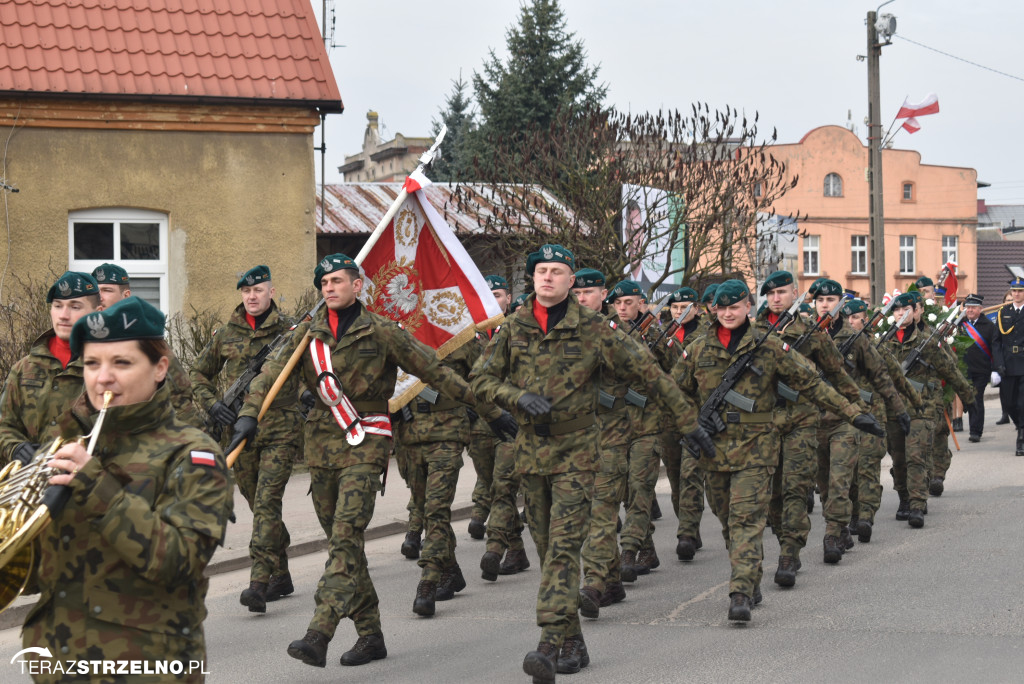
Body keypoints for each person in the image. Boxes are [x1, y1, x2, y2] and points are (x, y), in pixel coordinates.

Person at [230, 254, 505, 669]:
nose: (329, 287)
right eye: (323, 282)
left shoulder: (382, 331)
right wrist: (250, 414)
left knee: (343, 539)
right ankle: (370, 634)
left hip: (366, 443)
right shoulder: (307, 334)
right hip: (321, 448)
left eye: (337, 280)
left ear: (358, 286)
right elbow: (269, 375)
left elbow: (435, 371)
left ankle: (319, 630)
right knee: (348, 550)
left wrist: (489, 409)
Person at [470, 244, 713, 682]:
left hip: (578, 455)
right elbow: (480, 380)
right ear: (533, 279)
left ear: (570, 281)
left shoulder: (597, 330)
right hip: (531, 453)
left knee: (564, 549)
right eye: (541, 271)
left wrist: (688, 422)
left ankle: (548, 642)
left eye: (557, 271)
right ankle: (574, 641)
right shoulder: (513, 327)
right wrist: (515, 397)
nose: (548, 277)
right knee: (547, 551)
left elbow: (649, 373)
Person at [21, 296, 233, 681]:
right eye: (91, 363)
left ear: (159, 368)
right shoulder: (68, 439)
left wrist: (97, 486)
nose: (103, 377)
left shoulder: (192, 453)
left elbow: (178, 562)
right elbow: (39, 571)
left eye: (122, 363)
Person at [673, 279, 883, 621]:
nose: (728, 313)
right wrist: (691, 422)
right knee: (727, 519)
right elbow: (672, 391)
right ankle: (750, 572)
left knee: (746, 519)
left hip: (757, 448)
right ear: (714, 310)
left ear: (747, 307)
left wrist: (854, 413)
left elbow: (812, 383)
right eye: (722, 308)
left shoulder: (768, 347)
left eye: (735, 307)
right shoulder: (698, 349)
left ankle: (740, 592)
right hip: (712, 450)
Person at [190, 265, 302, 613]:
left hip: (280, 428)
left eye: (258, 290)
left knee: (267, 502)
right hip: (240, 433)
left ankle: (259, 580)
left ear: (271, 291)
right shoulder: (226, 334)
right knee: (257, 504)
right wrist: (213, 405)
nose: (251, 297)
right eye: (246, 291)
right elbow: (197, 373)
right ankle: (281, 573)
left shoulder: (290, 330)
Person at [756, 272, 862, 586]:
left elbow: (837, 373)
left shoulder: (812, 332)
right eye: (770, 293)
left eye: (782, 292)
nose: (776, 298)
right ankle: (782, 534)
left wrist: (856, 412)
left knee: (796, 489)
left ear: (795, 293)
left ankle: (789, 553)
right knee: (772, 494)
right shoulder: (753, 331)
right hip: (762, 425)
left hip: (802, 422)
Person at [814, 284, 910, 562]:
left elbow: (881, 375)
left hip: (847, 421)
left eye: (830, 300)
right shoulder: (804, 337)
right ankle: (842, 525)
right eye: (819, 300)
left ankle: (833, 532)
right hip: (814, 421)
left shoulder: (854, 338)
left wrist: (899, 408)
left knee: (841, 479)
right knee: (824, 482)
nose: (824, 305)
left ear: (840, 305)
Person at [605, 279, 679, 579]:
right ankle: (647, 550)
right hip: (614, 425)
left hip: (648, 424)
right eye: (618, 303)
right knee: (624, 492)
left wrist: (653, 344)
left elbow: (676, 371)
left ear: (642, 304)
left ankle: (629, 550)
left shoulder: (656, 334)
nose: (622, 308)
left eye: (629, 302)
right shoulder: (604, 333)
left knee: (640, 490)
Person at [883, 293, 975, 526]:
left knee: (917, 456)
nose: (900, 314)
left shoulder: (927, 342)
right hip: (893, 409)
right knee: (899, 459)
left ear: (914, 312)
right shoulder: (883, 343)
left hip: (921, 408)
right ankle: (904, 498)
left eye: (905, 309)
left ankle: (916, 504)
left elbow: (950, 370)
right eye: (896, 310)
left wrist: (969, 398)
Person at [573, 268, 632, 617]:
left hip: (611, 435)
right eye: (577, 293)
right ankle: (611, 581)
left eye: (589, 293)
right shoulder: (563, 332)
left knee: (601, 512)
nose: (582, 299)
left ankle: (593, 583)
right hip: (576, 440)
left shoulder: (616, 332)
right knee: (588, 514)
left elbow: (644, 371)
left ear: (603, 294)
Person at [0, 272, 101, 466]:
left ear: (97, 312)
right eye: (58, 306)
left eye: (75, 306)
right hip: (28, 486)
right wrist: (16, 447)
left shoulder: (109, 370)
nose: (64, 315)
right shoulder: (24, 369)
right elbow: (4, 425)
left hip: (87, 487)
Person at [92, 262, 202, 428]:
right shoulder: (86, 337)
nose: (99, 296)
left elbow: (179, 393)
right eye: (96, 290)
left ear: (126, 296)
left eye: (107, 290)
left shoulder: (143, 338)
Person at [465, 275, 513, 539]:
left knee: (504, 479)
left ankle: (493, 529)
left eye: (497, 294)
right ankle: (484, 512)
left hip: (511, 417)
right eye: (487, 294)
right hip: (481, 419)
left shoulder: (518, 329)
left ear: (507, 298)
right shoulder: (469, 334)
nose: (492, 299)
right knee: (487, 474)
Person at [962, 294, 999, 443]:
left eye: (973, 307)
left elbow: (995, 348)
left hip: (981, 370)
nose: (970, 310)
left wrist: (995, 369)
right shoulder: (960, 324)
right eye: (968, 307)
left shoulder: (989, 326)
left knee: (976, 398)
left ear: (980, 309)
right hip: (963, 369)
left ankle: (975, 430)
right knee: (968, 399)